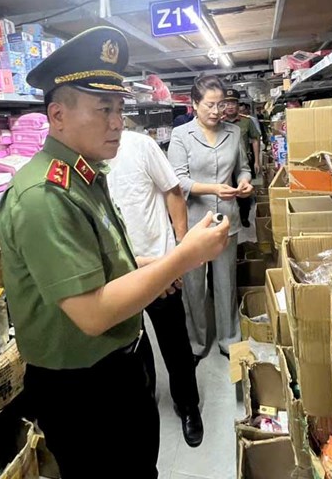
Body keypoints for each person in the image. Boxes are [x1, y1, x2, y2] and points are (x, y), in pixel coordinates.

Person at [0, 27, 230, 478]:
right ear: (57, 115)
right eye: (103, 109)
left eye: (120, 109)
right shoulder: (45, 195)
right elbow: (92, 312)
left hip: (118, 364)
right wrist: (182, 257)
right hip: (82, 386)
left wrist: (163, 263)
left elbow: (105, 267)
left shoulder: (85, 175)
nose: (117, 121)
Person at [106, 129, 204, 447]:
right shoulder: (84, 163)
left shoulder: (140, 145)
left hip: (159, 264)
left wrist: (179, 247)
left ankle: (188, 405)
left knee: (174, 340)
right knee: (135, 342)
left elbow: (173, 191)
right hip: (120, 271)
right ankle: (146, 395)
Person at [167, 76, 253, 359]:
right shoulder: (181, 135)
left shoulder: (233, 132)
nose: (217, 111)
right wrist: (213, 187)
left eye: (222, 105)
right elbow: (177, 180)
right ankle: (196, 342)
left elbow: (243, 168)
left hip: (227, 220)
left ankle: (229, 338)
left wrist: (244, 182)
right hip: (194, 224)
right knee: (193, 285)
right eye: (210, 105)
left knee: (226, 281)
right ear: (194, 104)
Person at [223, 89, 261, 227]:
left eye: (233, 103)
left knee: (244, 192)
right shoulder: (219, 123)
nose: (230, 106)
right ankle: (229, 219)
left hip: (243, 163)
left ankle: (244, 216)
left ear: (238, 105)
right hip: (225, 164)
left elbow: (255, 140)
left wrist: (257, 161)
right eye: (226, 103)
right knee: (227, 191)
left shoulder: (246, 121)